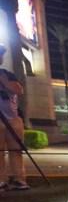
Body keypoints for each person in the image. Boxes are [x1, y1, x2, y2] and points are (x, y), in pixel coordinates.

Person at [0, 43, 28, 191]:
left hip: (13, 118)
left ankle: (19, 179)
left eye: (1, 54)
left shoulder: (8, 74)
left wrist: (4, 81)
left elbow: (18, 90)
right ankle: (1, 180)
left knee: (16, 150)